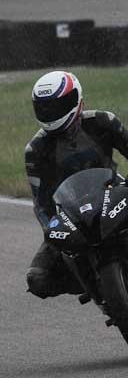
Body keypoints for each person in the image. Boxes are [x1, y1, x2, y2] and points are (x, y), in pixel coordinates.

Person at [25, 70, 128, 298]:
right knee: (38, 279)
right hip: (72, 216)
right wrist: (52, 229)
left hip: (115, 195)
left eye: (57, 105)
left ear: (76, 100)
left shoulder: (103, 122)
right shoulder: (36, 149)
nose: (51, 112)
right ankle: (91, 284)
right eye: (45, 107)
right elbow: (41, 204)